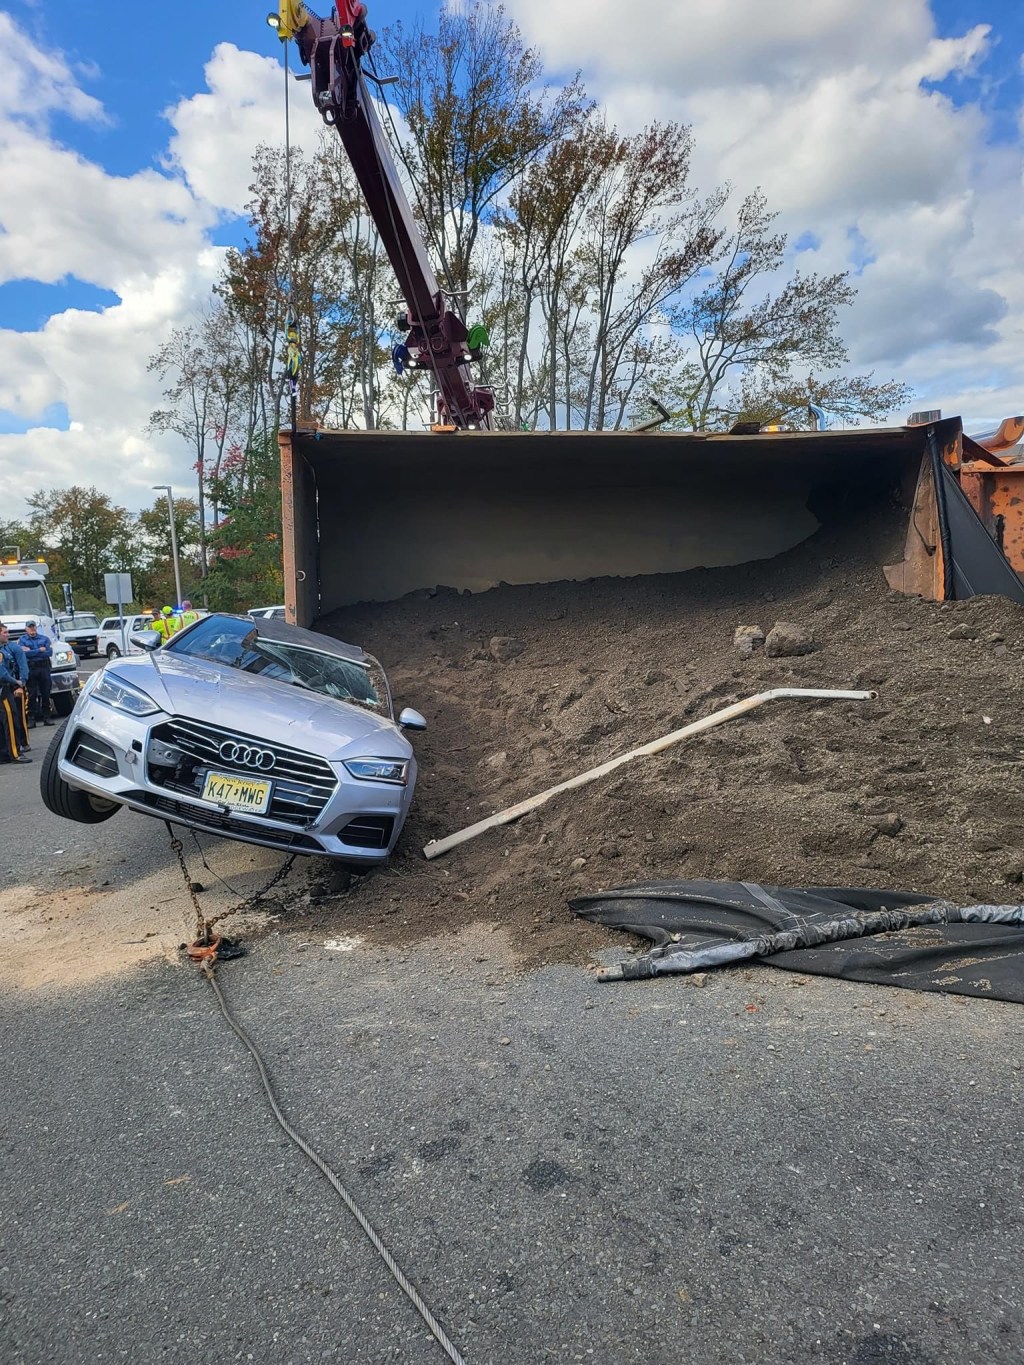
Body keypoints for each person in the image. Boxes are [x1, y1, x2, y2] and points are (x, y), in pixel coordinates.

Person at [0, 629, 30, 763]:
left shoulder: (7, 649)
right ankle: (15, 753)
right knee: (11, 722)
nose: (7, 635)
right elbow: (3, 673)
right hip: (4, 690)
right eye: (4, 632)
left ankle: (4, 754)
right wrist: (17, 682)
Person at [20, 618, 53, 728]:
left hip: (44, 668)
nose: (32, 629)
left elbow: (49, 652)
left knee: (46, 693)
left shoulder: (44, 638)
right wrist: (39, 650)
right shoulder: (22, 640)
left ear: (36, 627)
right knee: (32, 694)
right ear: (26, 629)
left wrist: (30, 651)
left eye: (33, 626)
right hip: (31, 669)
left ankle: (47, 717)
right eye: (30, 627)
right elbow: (24, 655)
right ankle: (31, 719)